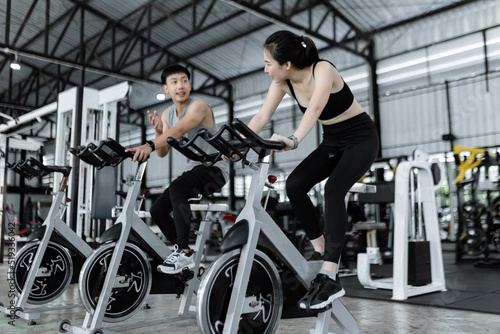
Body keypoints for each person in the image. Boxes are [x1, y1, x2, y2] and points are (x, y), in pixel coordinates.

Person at [246, 30, 379, 310]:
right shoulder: (282, 83)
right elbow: (261, 116)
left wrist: (294, 140)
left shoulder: (324, 69)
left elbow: (316, 108)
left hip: (361, 138)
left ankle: (330, 274)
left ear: (287, 65)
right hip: (332, 141)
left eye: (269, 63)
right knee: (294, 185)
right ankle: (320, 250)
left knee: (333, 190)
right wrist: (234, 144)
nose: (266, 68)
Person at [125, 64, 229, 275]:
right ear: (166, 89)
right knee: (157, 211)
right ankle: (186, 251)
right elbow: (163, 152)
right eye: (174, 82)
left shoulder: (199, 106)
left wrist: (149, 144)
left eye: (184, 81)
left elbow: (182, 129)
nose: (180, 86)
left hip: (215, 170)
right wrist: (158, 133)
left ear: (189, 85)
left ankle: (183, 251)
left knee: (176, 188)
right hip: (194, 170)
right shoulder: (167, 114)